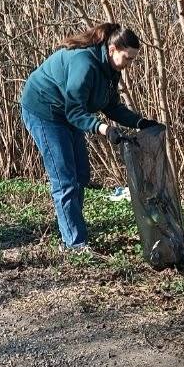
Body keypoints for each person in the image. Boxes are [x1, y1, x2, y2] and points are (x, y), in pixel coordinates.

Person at [19, 22, 160, 251]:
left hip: (67, 112)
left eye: (133, 59)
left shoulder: (110, 70)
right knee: (65, 179)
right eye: (127, 58)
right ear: (112, 48)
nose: (129, 65)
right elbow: (75, 111)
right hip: (44, 110)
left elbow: (111, 106)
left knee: (81, 175)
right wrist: (105, 129)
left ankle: (74, 229)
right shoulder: (84, 63)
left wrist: (140, 122)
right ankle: (75, 244)